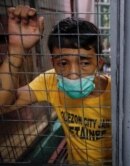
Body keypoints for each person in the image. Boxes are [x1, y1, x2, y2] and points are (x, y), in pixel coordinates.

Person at [0, 5, 111, 165]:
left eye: (85, 63)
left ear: (99, 63)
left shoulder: (117, 93)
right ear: (53, 63)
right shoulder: (51, 80)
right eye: (63, 63)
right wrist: (16, 50)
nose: (73, 74)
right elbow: (3, 104)